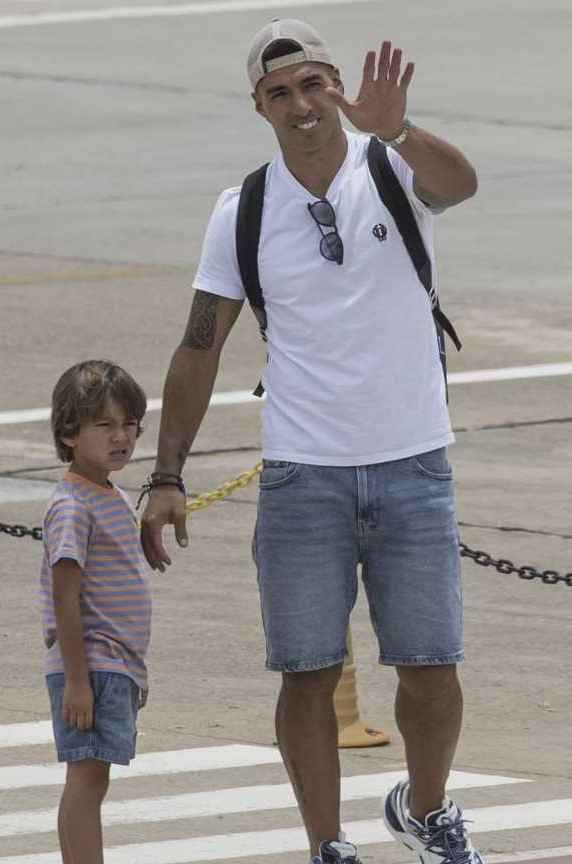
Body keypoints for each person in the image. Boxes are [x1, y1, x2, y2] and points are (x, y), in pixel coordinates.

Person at [140, 18, 481, 864]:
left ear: (336, 85)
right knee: (307, 674)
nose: (301, 106)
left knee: (431, 667)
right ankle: (328, 844)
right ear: (259, 108)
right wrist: (166, 471)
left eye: (313, 85)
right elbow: (198, 345)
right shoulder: (244, 211)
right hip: (303, 477)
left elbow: (464, 184)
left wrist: (394, 125)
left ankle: (427, 811)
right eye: (279, 93)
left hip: (412, 464)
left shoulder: (394, 168)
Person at [40, 360, 151, 864]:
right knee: (88, 779)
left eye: (129, 424)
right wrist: (81, 682)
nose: (120, 436)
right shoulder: (73, 506)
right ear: (69, 434)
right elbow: (65, 597)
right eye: (104, 425)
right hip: (93, 663)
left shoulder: (109, 495)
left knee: (89, 778)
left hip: (113, 664)